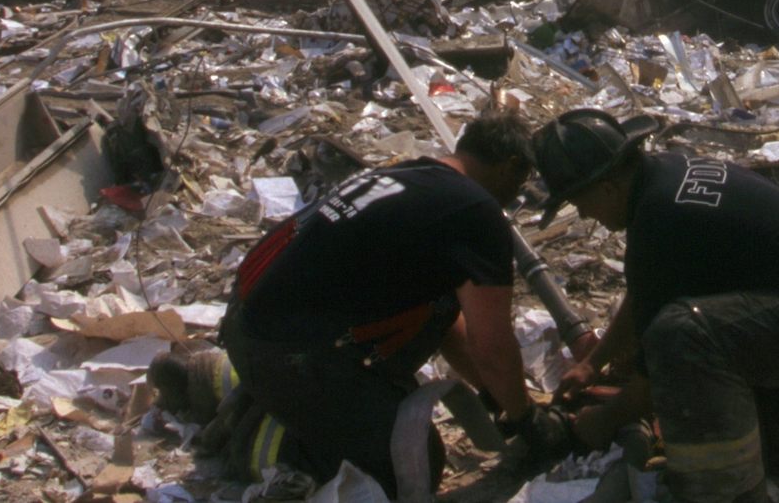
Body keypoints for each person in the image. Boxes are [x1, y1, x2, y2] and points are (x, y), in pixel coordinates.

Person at [537, 109, 779, 503]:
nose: (584, 214)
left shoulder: (659, 215)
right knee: (770, 441)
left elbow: (655, 376)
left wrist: (603, 420)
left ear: (606, 187)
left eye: (579, 201)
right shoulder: (663, 175)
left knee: (680, 337)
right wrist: (594, 361)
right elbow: (647, 293)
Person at [217, 111, 566, 495]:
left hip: (245, 328)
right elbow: (492, 345)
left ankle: (223, 383)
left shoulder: (403, 177)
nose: (517, 192)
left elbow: (445, 319)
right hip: (290, 360)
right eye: (521, 179)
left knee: (435, 305)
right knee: (408, 467)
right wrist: (527, 420)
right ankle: (254, 438)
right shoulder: (476, 212)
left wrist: (495, 393)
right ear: (510, 166)